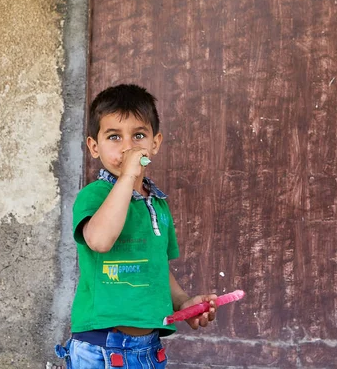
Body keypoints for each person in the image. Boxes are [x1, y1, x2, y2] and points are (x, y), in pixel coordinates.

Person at [55, 84, 217, 368]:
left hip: (149, 348)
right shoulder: (94, 195)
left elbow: (155, 267)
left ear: (155, 144)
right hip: (101, 346)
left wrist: (182, 302)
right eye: (114, 137)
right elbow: (100, 241)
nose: (128, 146)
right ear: (94, 147)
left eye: (139, 135)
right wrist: (128, 176)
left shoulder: (158, 204)